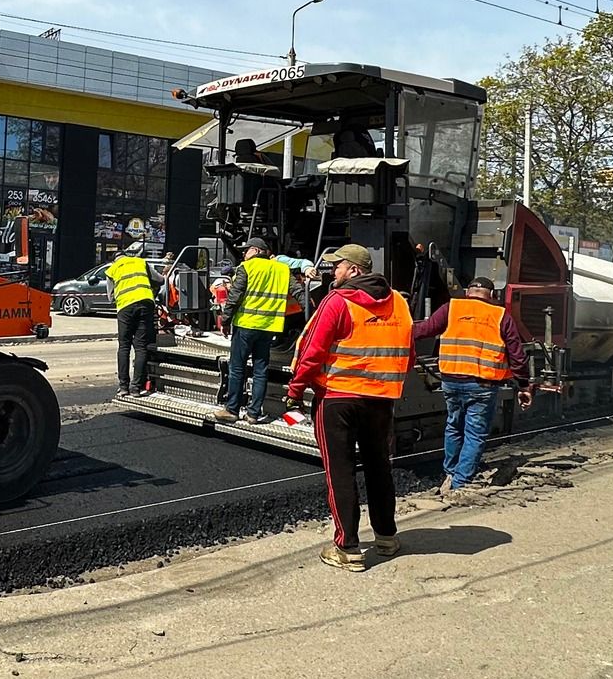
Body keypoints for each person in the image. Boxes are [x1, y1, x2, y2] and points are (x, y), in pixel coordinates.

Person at [284, 243, 411, 570]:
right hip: (381, 400)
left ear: (354, 270)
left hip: (338, 399)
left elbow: (312, 350)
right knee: (379, 467)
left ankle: (348, 548)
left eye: (337, 266)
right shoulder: (397, 301)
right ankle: (386, 536)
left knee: (340, 472)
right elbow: (406, 350)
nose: (333, 271)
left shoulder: (338, 301)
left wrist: (296, 389)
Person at [412, 275, 530, 491]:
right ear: (492, 296)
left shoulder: (452, 308)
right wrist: (523, 384)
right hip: (482, 386)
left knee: (453, 427)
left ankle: (450, 473)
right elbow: (517, 355)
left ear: (467, 292)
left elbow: (424, 330)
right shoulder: (500, 315)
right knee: (474, 434)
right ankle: (460, 482)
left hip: (450, 382)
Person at [214, 238, 289, 423]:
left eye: (246, 251)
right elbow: (298, 292)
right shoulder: (282, 269)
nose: (243, 254)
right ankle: (254, 414)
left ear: (256, 251)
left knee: (237, 368)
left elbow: (235, 297)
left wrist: (225, 320)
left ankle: (232, 410)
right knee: (260, 369)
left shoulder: (246, 268)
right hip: (269, 327)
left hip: (246, 326)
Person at [108, 240, 160, 399]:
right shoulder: (140, 262)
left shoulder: (112, 269)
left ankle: (123, 388)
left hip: (125, 308)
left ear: (115, 259)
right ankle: (136, 388)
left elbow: (110, 298)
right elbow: (160, 280)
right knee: (141, 347)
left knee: (124, 346)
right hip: (145, 303)